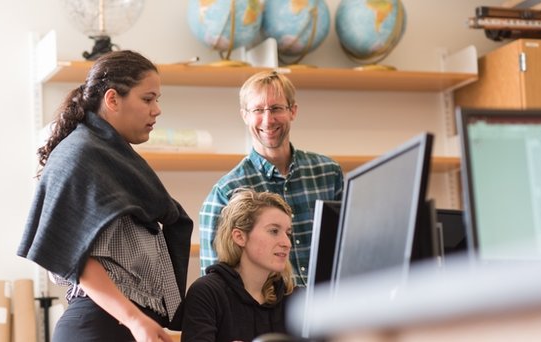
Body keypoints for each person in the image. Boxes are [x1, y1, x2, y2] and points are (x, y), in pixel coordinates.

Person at [17, 50, 193, 342]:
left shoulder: (113, 158)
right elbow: (78, 258)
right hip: (102, 327)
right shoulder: (81, 154)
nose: (156, 110)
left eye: (157, 100)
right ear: (112, 99)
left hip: (124, 325)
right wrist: (135, 319)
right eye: (147, 99)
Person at [199, 70, 344, 286]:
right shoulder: (226, 192)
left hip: (330, 310)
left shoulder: (329, 173)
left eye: (276, 108)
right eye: (258, 110)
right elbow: (215, 285)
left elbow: (351, 247)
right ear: (244, 115)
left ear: (293, 111)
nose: (268, 120)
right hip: (266, 317)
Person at [182, 188, 295, 342]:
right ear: (240, 237)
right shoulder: (207, 292)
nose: (287, 243)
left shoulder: (294, 297)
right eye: (274, 231)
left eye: (288, 233)